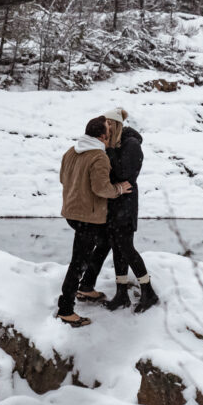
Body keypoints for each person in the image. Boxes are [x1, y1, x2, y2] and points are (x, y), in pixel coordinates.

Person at [78, 107, 158, 313]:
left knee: (127, 248)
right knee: (116, 248)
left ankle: (148, 291)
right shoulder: (113, 145)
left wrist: (110, 152)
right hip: (113, 205)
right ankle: (121, 293)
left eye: (108, 126)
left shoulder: (131, 145)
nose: (106, 130)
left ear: (115, 125)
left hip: (126, 206)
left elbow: (124, 174)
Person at [57, 115, 132, 327]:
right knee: (77, 262)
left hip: (73, 213)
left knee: (106, 241)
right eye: (109, 130)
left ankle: (87, 286)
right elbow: (101, 188)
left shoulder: (71, 151)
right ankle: (65, 310)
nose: (111, 134)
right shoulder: (99, 157)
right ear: (102, 136)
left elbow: (63, 178)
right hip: (88, 218)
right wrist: (119, 189)